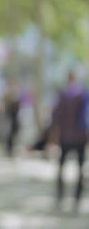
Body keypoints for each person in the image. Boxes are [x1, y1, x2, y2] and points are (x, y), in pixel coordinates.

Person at [52, 70, 88, 213]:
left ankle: (61, 196)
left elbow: (56, 115)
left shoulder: (64, 95)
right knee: (79, 169)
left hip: (67, 137)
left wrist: (54, 134)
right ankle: (75, 199)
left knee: (63, 167)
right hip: (79, 137)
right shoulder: (83, 94)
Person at [3, 80, 21, 157]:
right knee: (8, 136)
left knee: (13, 136)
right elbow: (6, 109)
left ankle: (11, 150)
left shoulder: (16, 96)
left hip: (15, 120)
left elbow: (18, 108)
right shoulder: (7, 97)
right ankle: (8, 151)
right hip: (9, 119)